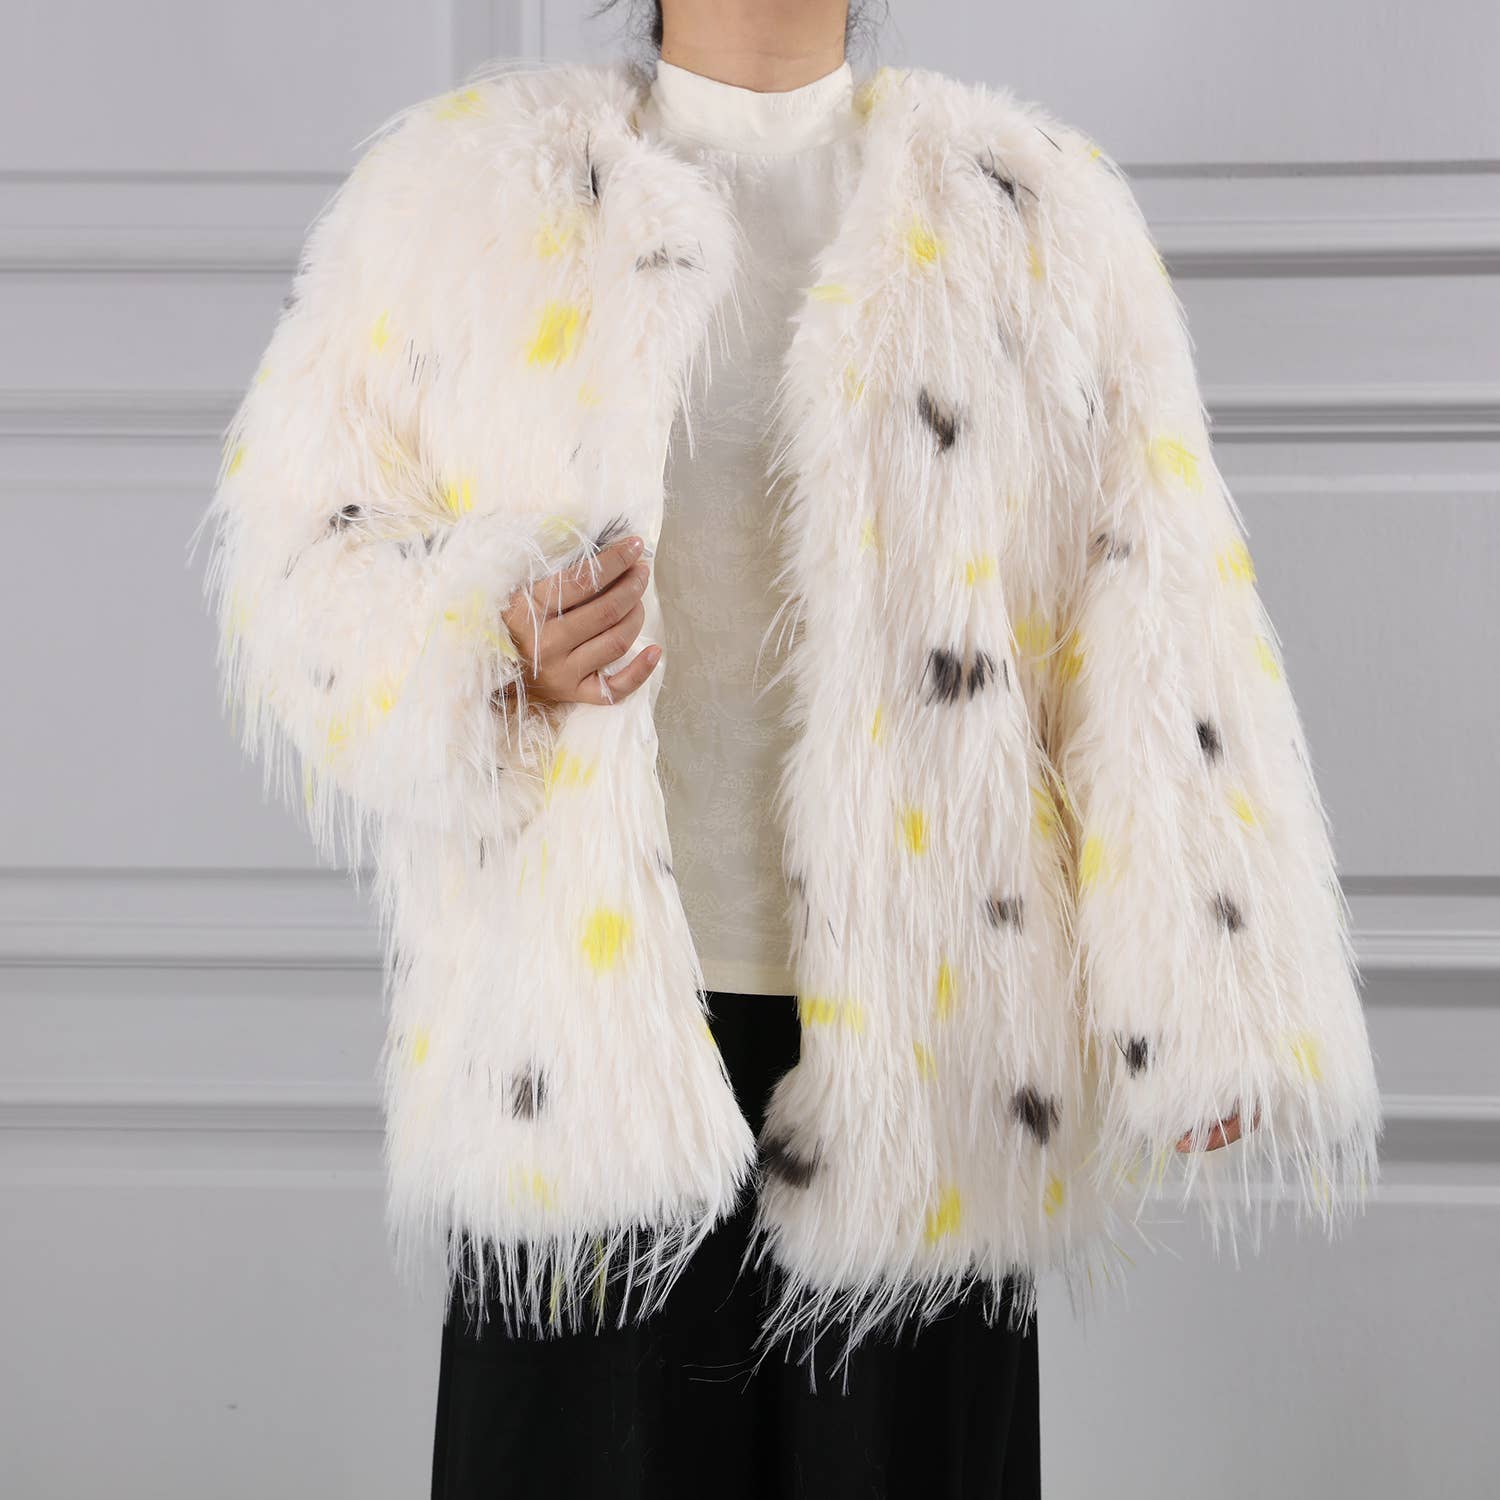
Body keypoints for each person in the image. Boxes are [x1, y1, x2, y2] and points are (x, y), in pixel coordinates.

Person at [199, 1, 1382, 1495]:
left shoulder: (1031, 212)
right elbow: (302, 550)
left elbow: (1155, 607)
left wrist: (1211, 996)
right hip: (576, 1060)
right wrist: (486, 636)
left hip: (930, 1058)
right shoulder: (465, 199)